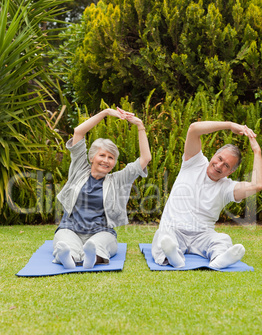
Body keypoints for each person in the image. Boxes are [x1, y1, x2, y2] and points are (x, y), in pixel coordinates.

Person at [152, 121, 262, 269]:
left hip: (202, 236)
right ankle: (174, 257)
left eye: (226, 166)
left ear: (230, 172)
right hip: (175, 229)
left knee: (223, 239)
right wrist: (229, 125)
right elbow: (193, 129)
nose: (219, 166)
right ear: (215, 154)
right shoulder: (194, 162)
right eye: (220, 159)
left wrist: (257, 151)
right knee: (163, 234)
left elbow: (257, 185)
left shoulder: (227, 187)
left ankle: (219, 259)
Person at [53, 107, 151, 269]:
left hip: (102, 233)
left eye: (111, 157)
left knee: (96, 244)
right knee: (65, 241)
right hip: (70, 229)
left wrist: (140, 126)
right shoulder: (79, 169)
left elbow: (145, 158)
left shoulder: (118, 179)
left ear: (114, 163)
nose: (106, 160)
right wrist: (105, 112)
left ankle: (90, 258)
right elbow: (78, 132)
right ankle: (69, 258)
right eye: (102, 155)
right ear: (92, 157)